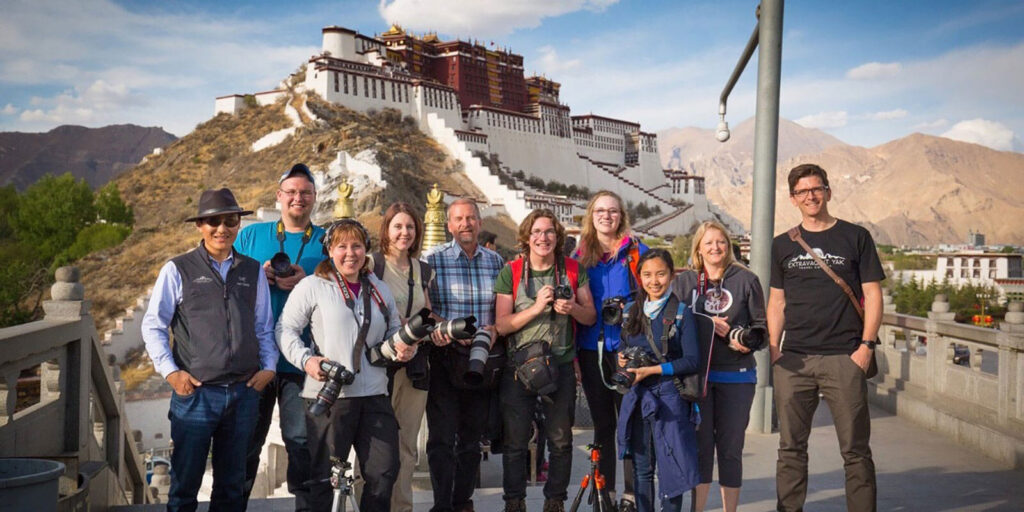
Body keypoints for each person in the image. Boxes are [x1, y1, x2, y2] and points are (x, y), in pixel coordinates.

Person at [141, 188, 278, 512]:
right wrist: (172, 373)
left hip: (244, 394)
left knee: (232, 489)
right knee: (185, 487)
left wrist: (268, 368)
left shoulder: (252, 270)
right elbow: (153, 325)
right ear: (200, 226)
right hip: (197, 396)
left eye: (230, 220)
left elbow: (263, 326)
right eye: (213, 221)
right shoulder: (178, 269)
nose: (222, 228)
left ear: (237, 224)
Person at [277, 218, 416, 511]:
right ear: (330, 250)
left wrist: (404, 347)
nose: (350, 253)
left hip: (375, 394)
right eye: (341, 246)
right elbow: (285, 329)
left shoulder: (377, 287)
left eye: (356, 245)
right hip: (330, 396)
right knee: (321, 480)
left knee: (383, 471)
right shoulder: (312, 286)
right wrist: (307, 360)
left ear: (366, 249)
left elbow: (393, 330)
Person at [768, 163, 883, 512]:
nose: (811, 196)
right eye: (802, 192)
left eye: (816, 189)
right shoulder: (781, 245)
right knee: (790, 448)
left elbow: (873, 295)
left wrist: (866, 347)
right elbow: (777, 301)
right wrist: (774, 350)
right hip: (794, 360)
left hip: (844, 356)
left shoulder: (856, 236)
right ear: (793, 199)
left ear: (828, 192)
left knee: (855, 450)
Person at [494, 209, 596, 512]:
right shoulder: (510, 272)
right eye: (536, 232)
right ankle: (514, 502)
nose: (543, 238)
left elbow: (590, 316)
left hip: (560, 365)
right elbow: (501, 325)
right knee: (514, 443)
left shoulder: (573, 270)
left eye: (549, 232)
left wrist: (573, 308)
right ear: (526, 237)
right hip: (519, 368)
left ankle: (555, 501)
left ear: (558, 237)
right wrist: (537, 307)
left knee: (561, 441)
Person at [235, 163, 324, 510]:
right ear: (279, 197)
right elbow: (230, 282)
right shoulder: (251, 236)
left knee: (301, 441)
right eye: (291, 192)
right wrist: (261, 274)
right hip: (255, 359)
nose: (298, 198)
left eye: (305, 192)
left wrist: (309, 280)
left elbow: (343, 288)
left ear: (315, 197)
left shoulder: (327, 241)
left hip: (301, 360)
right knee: (245, 441)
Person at [673, 221, 767, 512]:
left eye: (721, 242)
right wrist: (705, 323)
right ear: (698, 249)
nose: (715, 247)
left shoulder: (746, 280)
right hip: (697, 379)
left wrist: (746, 341)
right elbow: (671, 325)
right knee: (701, 450)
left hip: (737, 377)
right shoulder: (685, 282)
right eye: (709, 243)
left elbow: (762, 330)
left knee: (730, 450)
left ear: (728, 246)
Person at [424, 198, 505, 512]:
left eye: (470, 218)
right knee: (441, 439)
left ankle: (463, 501)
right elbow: (424, 310)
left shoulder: (495, 262)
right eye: (458, 219)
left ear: (480, 223)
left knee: (472, 440)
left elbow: (501, 310)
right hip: (445, 359)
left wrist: (488, 333)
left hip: (480, 362)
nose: (465, 224)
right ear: (449, 225)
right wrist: (450, 329)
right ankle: (441, 504)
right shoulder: (432, 260)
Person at [572, 190, 647, 511]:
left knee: (631, 421)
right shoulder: (578, 257)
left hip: (630, 350)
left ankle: (632, 492)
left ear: (621, 216)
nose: (606, 216)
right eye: (600, 210)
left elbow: (654, 294)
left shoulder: (636, 253)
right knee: (603, 424)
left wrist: (626, 307)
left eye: (613, 211)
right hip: (592, 350)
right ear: (591, 215)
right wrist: (574, 357)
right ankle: (606, 492)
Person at [616, 249, 700, 512]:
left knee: (671, 468)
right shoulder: (631, 311)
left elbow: (692, 360)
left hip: (670, 398)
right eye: (647, 275)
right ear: (639, 277)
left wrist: (653, 370)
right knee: (641, 467)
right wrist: (621, 359)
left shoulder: (681, 313)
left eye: (661, 274)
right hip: (638, 397)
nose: (654, 281)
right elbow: (623, 345)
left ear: (672, 275)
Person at [368, 202, 436, 512]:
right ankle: (367, 505)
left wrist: (425, 330)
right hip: (380, 365)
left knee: (408, 445)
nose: (404, 233)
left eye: (409, 227)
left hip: (415, 364)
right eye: (398, 226)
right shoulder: (373, 265)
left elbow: (429, 312)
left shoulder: (423, 269)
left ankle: (402, 507)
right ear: (387, 230)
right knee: (373, 444)